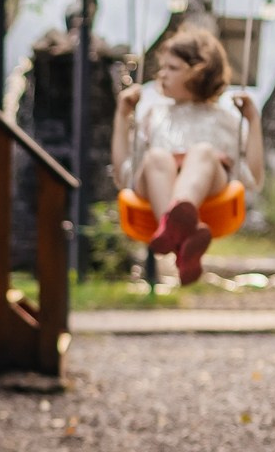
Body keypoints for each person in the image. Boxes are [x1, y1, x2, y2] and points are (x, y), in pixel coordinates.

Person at [109, 26, 263, 285]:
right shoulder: (153, 115)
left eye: (172, 68)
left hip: (209, 185)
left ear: (198, 70)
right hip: (158, 182)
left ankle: (177, 221)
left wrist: (253, 120)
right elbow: (123, 174)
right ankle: (183, 238)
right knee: (157, 156)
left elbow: (252, 178)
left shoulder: (225, 118)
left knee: (202, 152)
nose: (162, 74)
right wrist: (122, 116)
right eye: (163, 67)